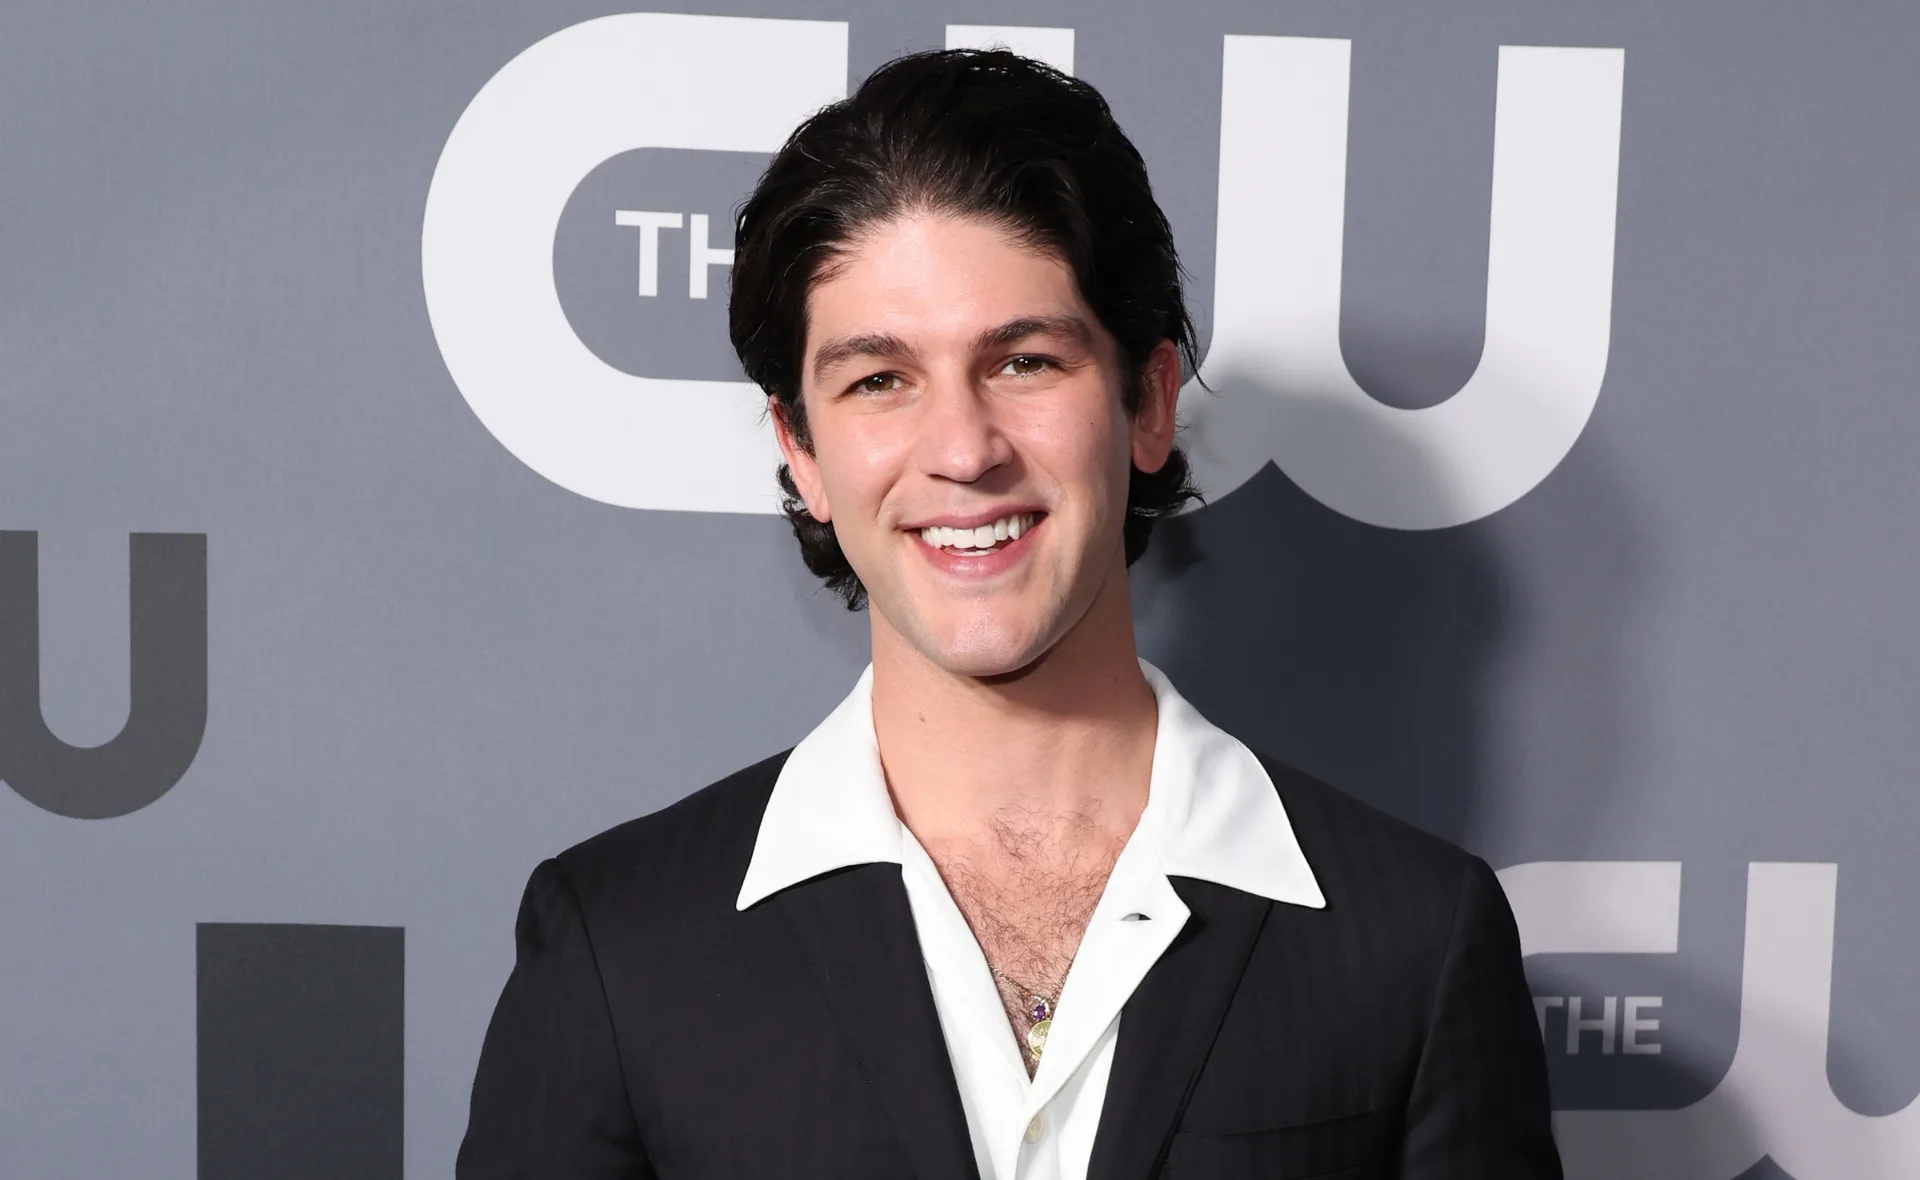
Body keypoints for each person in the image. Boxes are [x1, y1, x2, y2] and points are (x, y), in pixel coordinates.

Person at [457, 47, 1560, 1180]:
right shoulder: (620, 946)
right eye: (879, 379)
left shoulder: (1414, 940)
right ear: (803, 452)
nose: (964, 449)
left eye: (1024, 361)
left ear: (1148, 402)